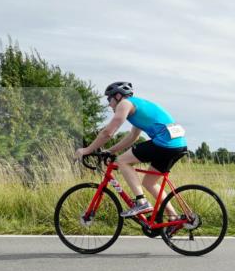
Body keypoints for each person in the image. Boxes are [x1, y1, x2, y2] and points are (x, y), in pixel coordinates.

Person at [75, 82, 188, 218]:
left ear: (118, 96)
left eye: (109, 99)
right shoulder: (137, 106)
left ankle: (141, 202)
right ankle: (173, 217)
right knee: (149, 183)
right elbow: (133, 136)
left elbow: (108, 133)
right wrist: (110, 151)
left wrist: (87, 150)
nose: (109, 104)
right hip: (178, 144)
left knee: (122, 161)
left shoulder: (124, 104)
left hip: (165, 143)